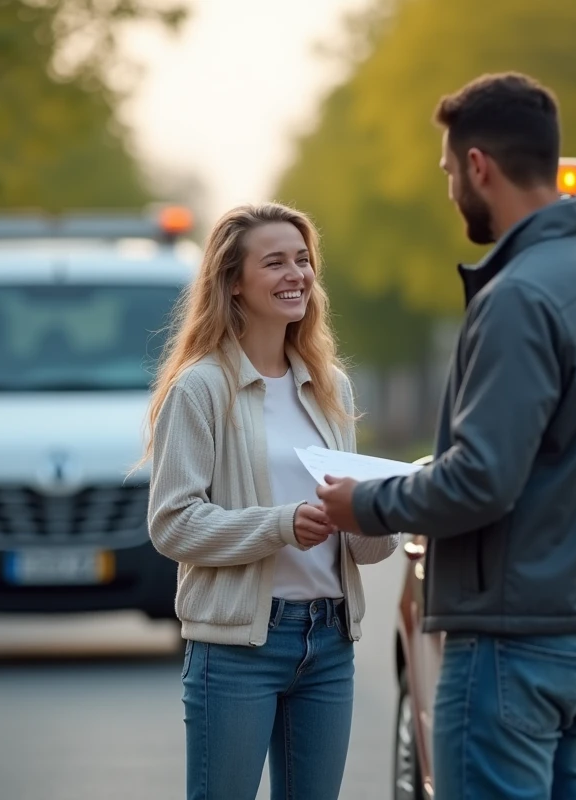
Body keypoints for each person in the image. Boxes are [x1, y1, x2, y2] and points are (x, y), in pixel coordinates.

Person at [315, 72, 576, 800]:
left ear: (480, 166)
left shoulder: (520, 296)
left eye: (448, 171)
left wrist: (365, 505)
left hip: (513, 646)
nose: (449, 189)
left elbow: (483, 480)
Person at [142, 202, 399, 800]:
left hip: (331, 641)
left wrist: (380, 507)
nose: (297, 275)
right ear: (233, 282)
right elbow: (172, 523)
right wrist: (282, 525)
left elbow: (368, 548)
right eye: (276, 262)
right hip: (237, 649)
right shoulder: (201, 387)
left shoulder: (332, 386)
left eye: (304, 261)